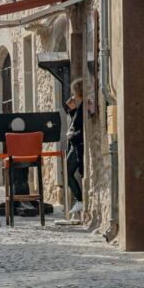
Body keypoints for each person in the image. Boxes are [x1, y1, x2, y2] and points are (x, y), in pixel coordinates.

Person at [65, 81, 85, 216]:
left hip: (76, 145)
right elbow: (75, 123)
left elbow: (82, 130)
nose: (72, 96)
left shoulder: (84, 107)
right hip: (74, 145)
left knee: (67, 172)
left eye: (73, 92)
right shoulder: (79, 107)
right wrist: (71, 110)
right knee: (67, 172)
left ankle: (80, 200)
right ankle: (79, 199)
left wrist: (72, 136)